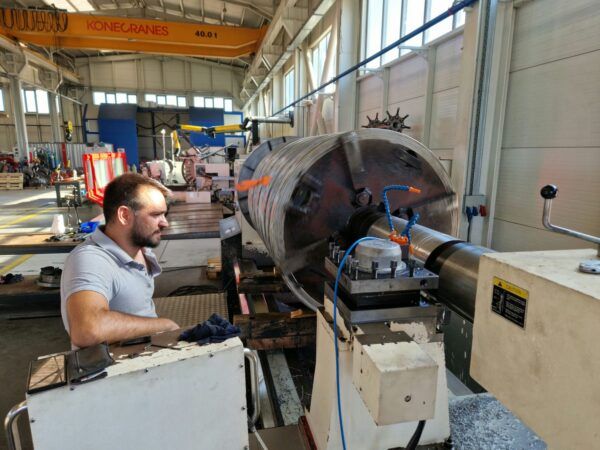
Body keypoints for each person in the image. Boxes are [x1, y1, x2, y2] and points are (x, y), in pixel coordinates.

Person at [60, 173, 179, 348]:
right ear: (124, 215)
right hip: (113, 370)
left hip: (143, 353)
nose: (165, 223)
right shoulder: (91, 260)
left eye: (164, 214)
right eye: (156, 215)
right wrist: (164, 326)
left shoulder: (139, 248)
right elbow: (86, 330)